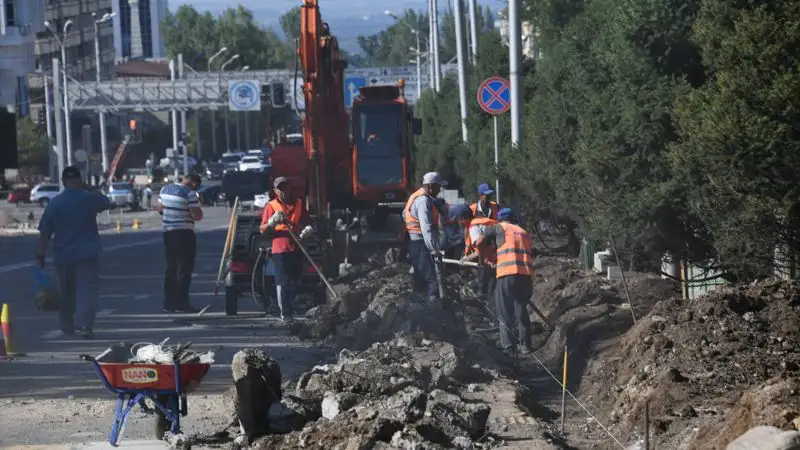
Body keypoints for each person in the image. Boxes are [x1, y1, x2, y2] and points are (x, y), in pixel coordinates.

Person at [36, 166, 114, 339]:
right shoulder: (88, 198)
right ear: (79, 180)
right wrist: (88, 188)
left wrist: (40, 255)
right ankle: (85, 326)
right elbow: (107, 202)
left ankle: (66, 324)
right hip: (87, 253)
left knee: (66, 291)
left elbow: (45, 232)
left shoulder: (55, 203)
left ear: (63, 182)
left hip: (63, 255)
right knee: (87, 291)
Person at [470, 208, 535, 355]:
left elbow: (480, 243)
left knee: (504, 312)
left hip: (507, 275)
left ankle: (509, 349)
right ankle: (526, 345)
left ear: (501, 219)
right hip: (525, 275)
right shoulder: (524, 232)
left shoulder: (498, 227)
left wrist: (482, 261)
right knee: (521, 309)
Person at [260, 177, 313, 322]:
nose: (283, 191)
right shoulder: (271, 206)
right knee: (283, 281)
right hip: (280, 248)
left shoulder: (299, 204)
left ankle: (291, 307)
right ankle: (286, 314)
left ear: (290, 188)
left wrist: (307, 231)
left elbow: (307, 222)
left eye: (285, 187)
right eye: (280, 188)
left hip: (297, 246)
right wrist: (271, 222)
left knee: (295, 279)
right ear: (275, 191)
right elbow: (262, 229)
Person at [156, 174, 203, 313]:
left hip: (168, 233)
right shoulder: (189, 193)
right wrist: (199, 202)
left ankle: (169, 303)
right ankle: (182, 303)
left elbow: (160, 209)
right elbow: (197, 216)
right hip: (184, 234)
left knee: (171, 268)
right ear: (194, 183)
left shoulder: (165, 189)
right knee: (184, 269)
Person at [403, 172, 447, 303]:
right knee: (431, 277)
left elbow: (404, 214)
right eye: (438, 187)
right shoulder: (423, 201)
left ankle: (418, 305)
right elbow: (426, 229)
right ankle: (433, 306)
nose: (439, 191)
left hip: (415, 243)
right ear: (431, 186)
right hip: (422, 244)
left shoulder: (415, 197)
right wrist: (434, 250)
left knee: (420, 276)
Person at [452, 204, 498, 303]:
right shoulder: (479, 222)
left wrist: (467, 259)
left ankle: (492, 310)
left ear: (462, 219)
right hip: (500, 256)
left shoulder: (473, 228)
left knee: (491, 291)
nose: (457, 222)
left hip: (495, 260)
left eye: (457, 219)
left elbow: (480, 248)